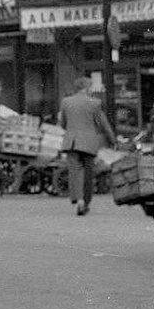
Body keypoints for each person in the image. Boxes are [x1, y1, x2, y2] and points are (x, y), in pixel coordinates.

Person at [58, 76, 116, 217]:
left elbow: (62, 123)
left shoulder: (66, 102)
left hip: (71, 142)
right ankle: (86, 200)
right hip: (89, 142)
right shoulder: (94, 103)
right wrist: (112, 140)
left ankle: (78, 200)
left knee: (74, 172)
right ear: (86, 88)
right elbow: (103, 123)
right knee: (88, 174)